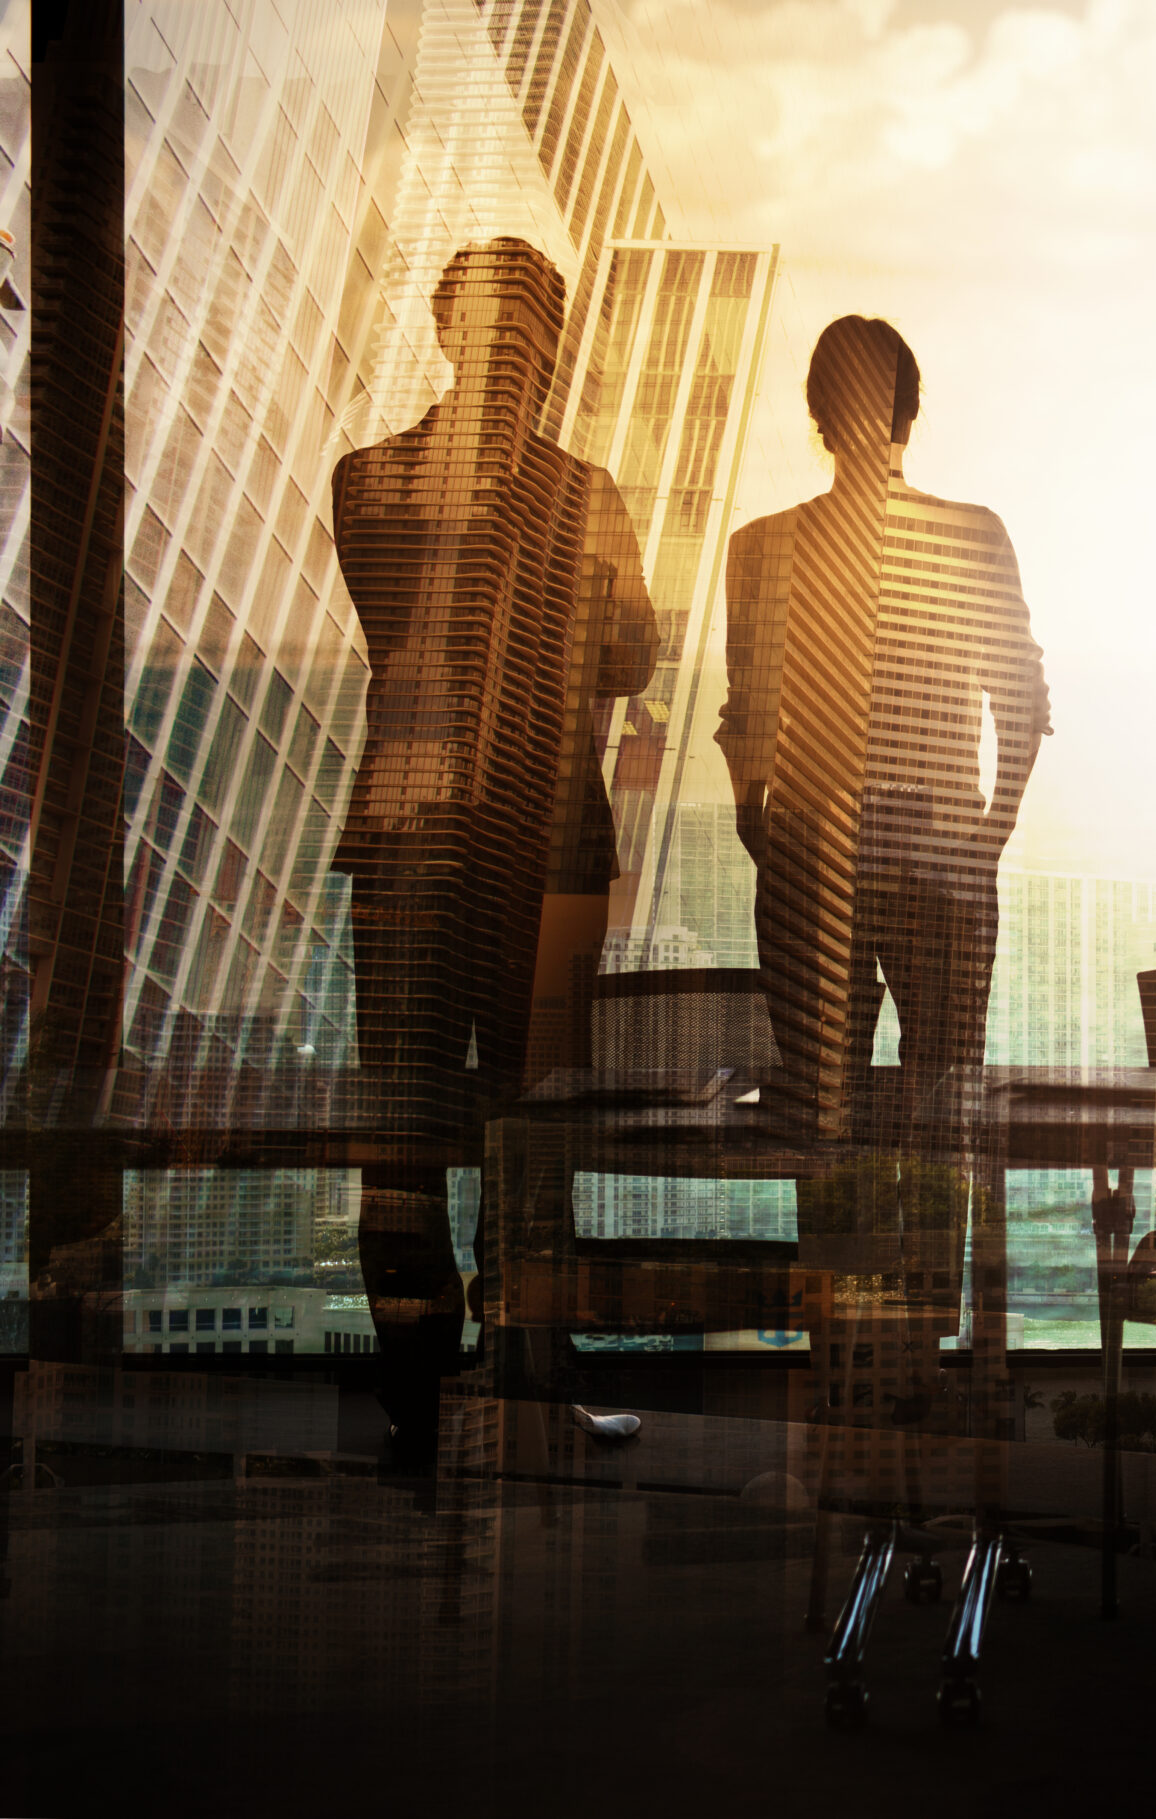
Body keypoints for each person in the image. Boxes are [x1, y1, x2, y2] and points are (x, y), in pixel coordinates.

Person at [331, 238, 657, 1464]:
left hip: (469, 838)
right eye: (506, 325)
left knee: (461, 1132)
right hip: (493, 840)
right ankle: (478, 1387)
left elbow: (598, 654)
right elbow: (624, 653)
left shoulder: (381, 478)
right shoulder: (555, 491)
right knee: (473, 1131)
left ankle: (446, 1397)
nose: (518, 352)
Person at [719, 317, 1047, 1142]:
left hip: (818, 847)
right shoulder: (970, 536)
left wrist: (762, 819)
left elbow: (747, 720)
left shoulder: (763, 548)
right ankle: (910, 1268)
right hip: (925, 852)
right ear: (910, 414)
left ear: (816, 414)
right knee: (939, 1116)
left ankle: (844, 1269)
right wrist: (987, 836)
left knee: (826, 1121)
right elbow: (1022, 704)